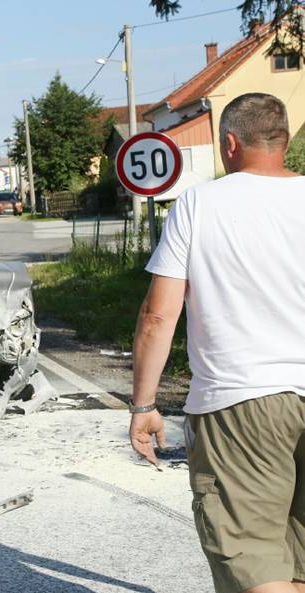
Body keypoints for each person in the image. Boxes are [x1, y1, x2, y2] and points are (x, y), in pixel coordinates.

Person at [129, 93, 305, 593]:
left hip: (241, 402)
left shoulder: (199, 204)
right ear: (284, 139)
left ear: (229, 143)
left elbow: (158, 315)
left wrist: (143, 404)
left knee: (252, 561)